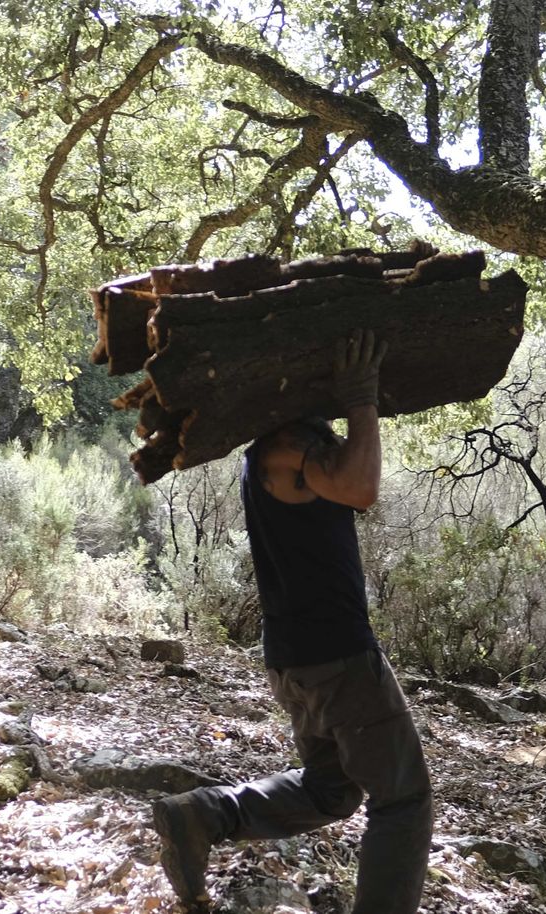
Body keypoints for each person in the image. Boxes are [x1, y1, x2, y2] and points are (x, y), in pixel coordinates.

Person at [150, 331, 433, 912]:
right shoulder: (287, 449)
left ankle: (204, 815)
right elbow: (361, 487)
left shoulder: (280, 448)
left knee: (331, 791)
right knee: (404, 801)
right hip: (337, 657)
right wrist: (361, 398)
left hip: (297, 658)